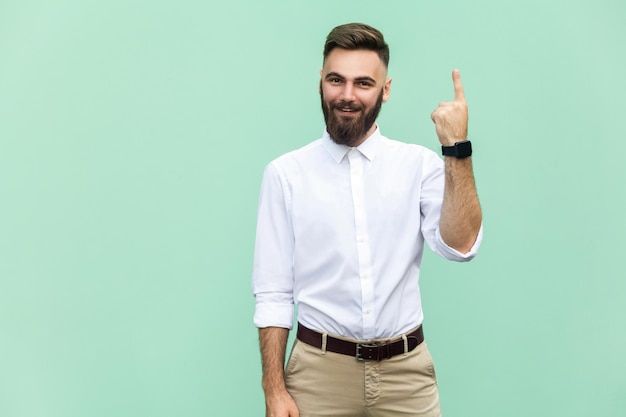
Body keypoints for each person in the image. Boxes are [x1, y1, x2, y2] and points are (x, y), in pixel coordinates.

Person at [252, 22, 483, 417]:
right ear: (320, 83)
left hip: (406, 375)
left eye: (363, 83)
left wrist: (456, 149)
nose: (347, 95)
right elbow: (273, 293)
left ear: (385, 90)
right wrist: (274, 389)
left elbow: (461, 247)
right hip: (317, 376)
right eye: (336, 80)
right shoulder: (286, 174)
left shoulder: (420, 166)